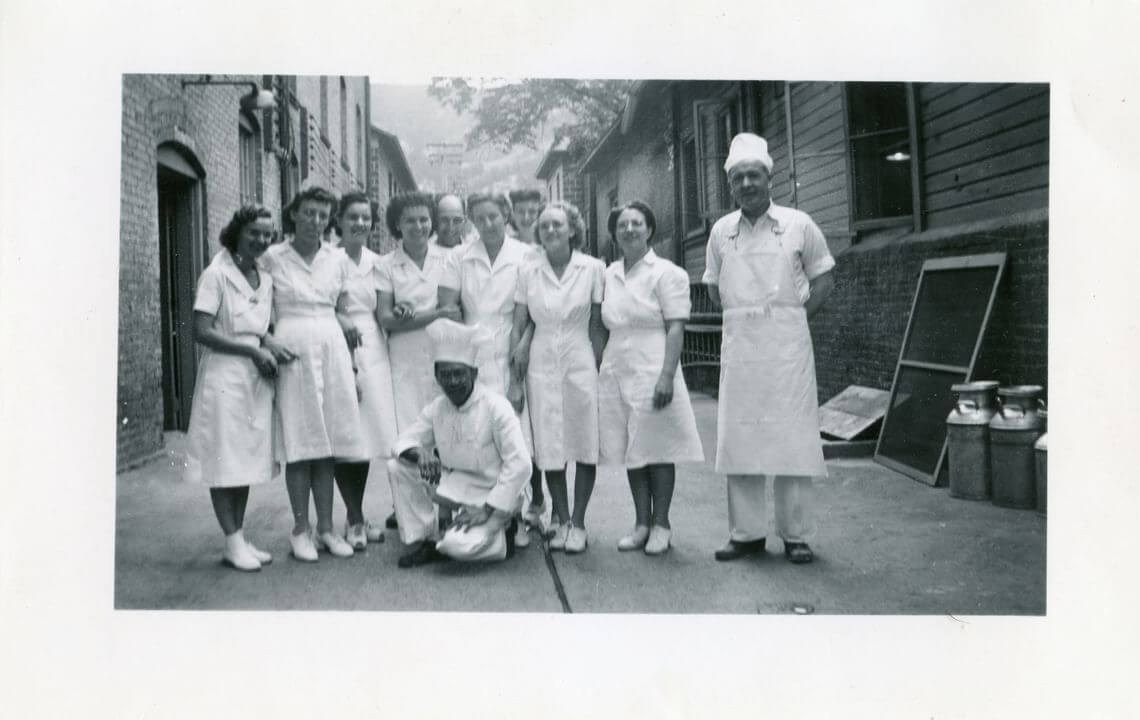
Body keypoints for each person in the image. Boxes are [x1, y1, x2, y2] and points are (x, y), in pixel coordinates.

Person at [703, 133, 835, 564]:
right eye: (738, 177)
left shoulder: (799, 223)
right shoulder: (722, 232)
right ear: (730, 185)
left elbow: (822, 281)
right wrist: (746, 321)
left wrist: (789, 321)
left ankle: (796, 535)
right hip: (741, 349)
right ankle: (746, 534)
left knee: (792, 437)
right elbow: (711, 287)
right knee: (741, 435)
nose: (746, 184)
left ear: (768, 178)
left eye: (753, 175)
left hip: (787, 352)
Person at [262, 186, 368, 562]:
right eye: (309, 213)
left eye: (323, 216)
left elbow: (340, 307)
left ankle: (326, 528)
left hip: (331, 348)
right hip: (293, 347)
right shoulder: (273, 257)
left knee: (328, 442)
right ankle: (300, 529)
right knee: (300, 441)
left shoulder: (337, 259)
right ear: (294, 214)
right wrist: (268, 343)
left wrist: (343, 327)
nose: (316, 222)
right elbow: (260, 308)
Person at [599, 201, 704, 556]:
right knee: (634, 448)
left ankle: (662, 524)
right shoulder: (609, 273)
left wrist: (666, 376)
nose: (629, 229)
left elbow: (676, 327)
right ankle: (641, 523)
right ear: (614, 233)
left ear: (649, 229)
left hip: (652, 363)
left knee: (658, 448)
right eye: (623, 225)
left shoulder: (667, 272)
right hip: (617, 366)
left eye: (637, 223)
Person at [184, 206, 283, 571]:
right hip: (225, 375)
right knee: (225, 459)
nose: (261, 240)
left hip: (255, 377)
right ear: (238, 232)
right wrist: (250, 350)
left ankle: (238, 537)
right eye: (255, 232)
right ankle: (231, 540)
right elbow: (202, 330)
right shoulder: (217, 274)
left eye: (268, 235)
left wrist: (269, 345)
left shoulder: (265, 277)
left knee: (245, 459)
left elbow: (261, 328)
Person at [386, 319, 532, 568]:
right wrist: (420, 453)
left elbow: (521, 465)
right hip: (455, 488)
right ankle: (429, 538)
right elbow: (402, 441)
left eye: (459, 374)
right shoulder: (437, 407)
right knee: (397, 466)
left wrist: (487, 511)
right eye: (446, 374)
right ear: (436, 376)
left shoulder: (496, 407)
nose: (452, 381)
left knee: (455, 547)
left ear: (473, 373)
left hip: (491, 495)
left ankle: (503, 533)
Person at [437, 192, 539, 546]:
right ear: (472, 221)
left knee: (515, 438)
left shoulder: (526, 255)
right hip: (472, 354)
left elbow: (532, 313)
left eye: (494, 216)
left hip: (511, 348)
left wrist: (519, 362)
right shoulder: (459, 256)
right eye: (479, 218)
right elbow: (448, 308)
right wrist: (464, 353)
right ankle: (474, 511)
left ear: (506, 215)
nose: (488, 223)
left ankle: (518, 517)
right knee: (475, 438)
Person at [510, 201, 605, 553]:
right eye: (545, 225)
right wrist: (516, 372)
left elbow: (597, 325)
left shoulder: (593, 268)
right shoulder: (528, 271)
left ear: (572, 229)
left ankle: (579, 523)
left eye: (558, 224)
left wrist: (598, 368)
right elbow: (520, 322)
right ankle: (561, 520)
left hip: (580, 358)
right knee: (549, 445)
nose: (551, 230)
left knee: (583, 442)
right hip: (540, 361)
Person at [376, 191, 459, 530]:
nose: (419, 226)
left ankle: (445, 509)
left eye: (424, 219)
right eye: (410, 220)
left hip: (442, 356)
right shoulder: (386, 265)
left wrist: (418, 315)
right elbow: (386, 319)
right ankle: (411, 509)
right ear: (397, 224)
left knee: (444, 435)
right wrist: (434, 313)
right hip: (405, 361)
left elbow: (454, 310)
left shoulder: (449, 259)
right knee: (410, 436)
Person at [332, 192, 399, 550]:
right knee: (348, 437)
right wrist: (339, 318)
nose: (360, 223)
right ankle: (354, 517)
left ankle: (357, 515)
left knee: (369, 436)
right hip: (338, 346)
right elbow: (316, 304)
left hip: (374, 348)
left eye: (366, 218)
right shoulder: (329, 259)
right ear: (339, 219)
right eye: (353, 217)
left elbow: (383, 310)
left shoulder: (378, 263)